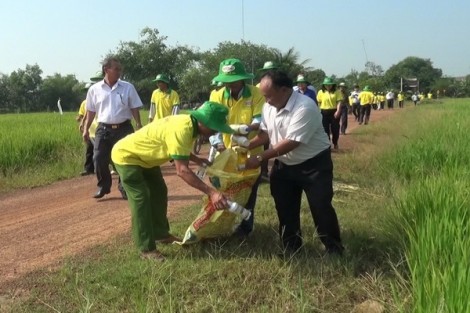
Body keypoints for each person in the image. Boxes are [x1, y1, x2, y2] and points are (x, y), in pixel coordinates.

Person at [111, 101, 233, 260]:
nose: (214, 132)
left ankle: (161, 234)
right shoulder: (183, 129)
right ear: (203, 122)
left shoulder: (190, 125)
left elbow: (177, 148)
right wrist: (212, 192)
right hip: (127, 156)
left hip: (146, 158)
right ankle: (146, 248)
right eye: (214, 127)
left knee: (160, 191)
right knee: (141, 198)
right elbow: (182, 171)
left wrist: (198, 160)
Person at [244, 70, 343, 255]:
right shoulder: (269, 106)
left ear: (284, 90)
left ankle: (333, 248)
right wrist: (246, 147)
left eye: (269, 96)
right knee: (285, 206)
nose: (266, 101)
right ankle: (291, 248)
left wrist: (259, 158)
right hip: (284, 165)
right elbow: (265, 134)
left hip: (313, 165)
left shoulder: (305, 107)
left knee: (320, 206)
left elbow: (292, 142)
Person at [209, 58, 265, 235]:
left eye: (234, 81)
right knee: (225, 190)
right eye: (227, 82)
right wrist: (217, 143)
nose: (230, 85)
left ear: (243, 79)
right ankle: (222, 226)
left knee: (248, 191)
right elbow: (212, 122)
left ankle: (245, 227)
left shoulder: (256, 93)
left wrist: (247, 129)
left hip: (251, 150)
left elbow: (259, 118)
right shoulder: (217, 95)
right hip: (226, 152)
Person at [83, 56, 143, 199]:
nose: (119, 72)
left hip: (124, 129)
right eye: (116, 69)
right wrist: (85, 129)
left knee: (125, 160)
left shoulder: (128, 87)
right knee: (98, 158)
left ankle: (124, 188)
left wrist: (138, 124)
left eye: (120, 69)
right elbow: (90, 111)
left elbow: (134, 107)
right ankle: (103, 186)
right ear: (106, 70)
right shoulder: (94, 89)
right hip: (103, 129)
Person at [316, 77, 342, 149]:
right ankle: (327, 145)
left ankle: (335, 142)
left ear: (332, 85)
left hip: (334, 111)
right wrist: (318, 112)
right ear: (324, 85)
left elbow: (339, 102)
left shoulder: (337, 92)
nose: (328, 86)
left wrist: (338, 111)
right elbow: (319, 102)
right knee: (325, 129)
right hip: (324, 112)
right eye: (326, 85)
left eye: (330, 84)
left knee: (335, 129)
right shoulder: (321, 92)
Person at [77, 82, 95, 176]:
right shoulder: (84, 103)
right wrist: (81, 122)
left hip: (99, 129)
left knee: (101, 151)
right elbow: (83, 114)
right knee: (89, 150)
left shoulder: (98, 99)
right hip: (89, 129)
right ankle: (89, 169)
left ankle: (104, 169)